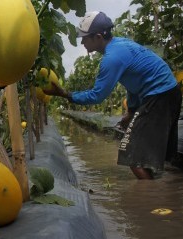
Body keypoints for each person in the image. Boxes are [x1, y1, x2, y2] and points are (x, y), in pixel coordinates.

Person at [45, 11, 182, 179]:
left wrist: (65, 94)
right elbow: (133, 84)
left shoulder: (112, 58)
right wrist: (131, 111)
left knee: (132, 157)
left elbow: (97, 96)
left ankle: (149, 201)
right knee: (164, 157)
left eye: (85, 37)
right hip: (170, 92)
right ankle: (169, 193)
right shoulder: (120, 45)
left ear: (98, 37)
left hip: (158, 97)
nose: (82, 42)